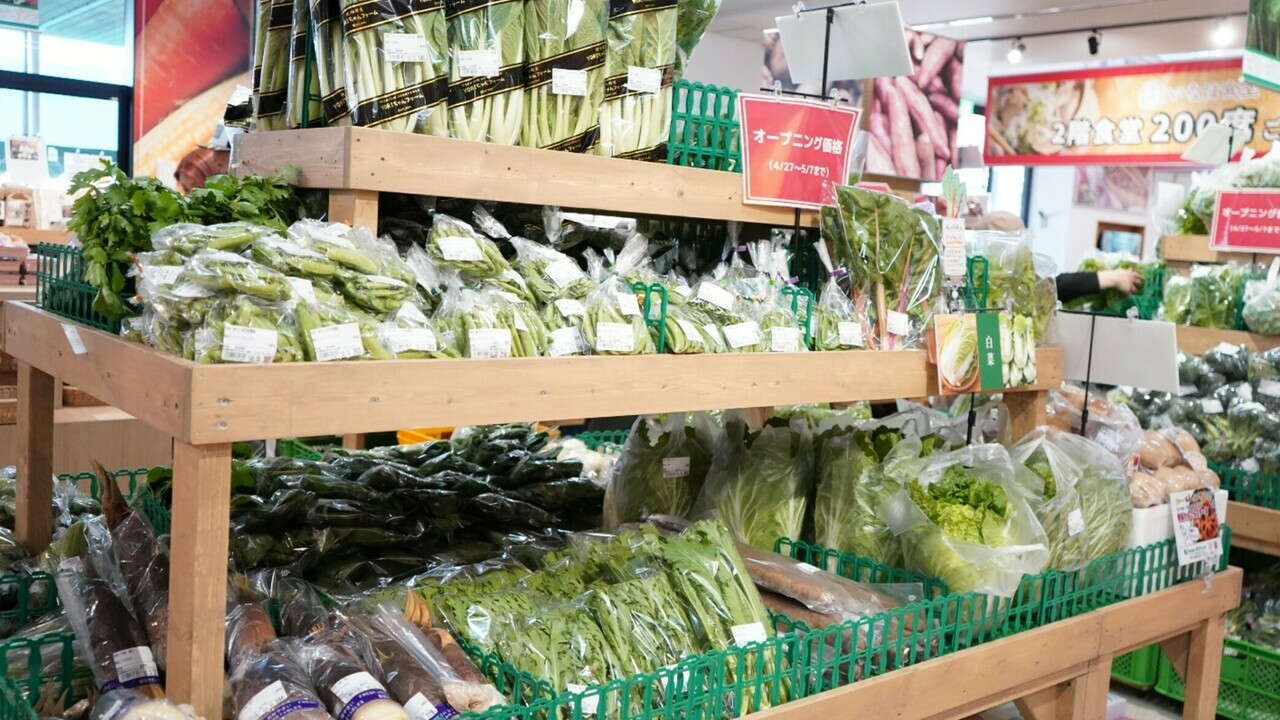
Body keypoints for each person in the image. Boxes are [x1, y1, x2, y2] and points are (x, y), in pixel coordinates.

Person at [968, 210, 1144, 303]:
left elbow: (1054, 287)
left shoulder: (1021, 280)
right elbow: (1059, 287)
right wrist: (1113, 277)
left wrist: (1113, 278)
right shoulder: (972, 282)